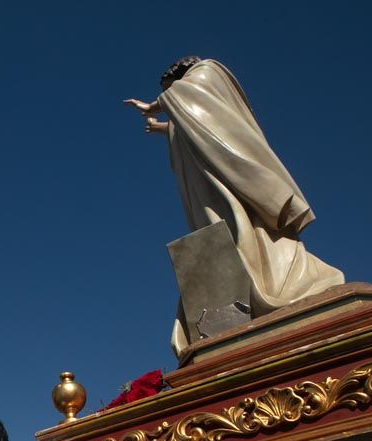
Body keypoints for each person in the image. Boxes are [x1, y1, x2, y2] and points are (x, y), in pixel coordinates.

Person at [123, 56, 345, 354]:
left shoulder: (208, 70)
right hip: (208, 177)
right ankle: (229, 305)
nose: (173, 94)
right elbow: (195, 121)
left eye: (171, 88)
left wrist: (157, 104)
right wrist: (165, 128)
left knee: (243, 226)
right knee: (218, 232)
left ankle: (268, 287)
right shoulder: (190, 106)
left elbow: (199, 106)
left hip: (229, 171)